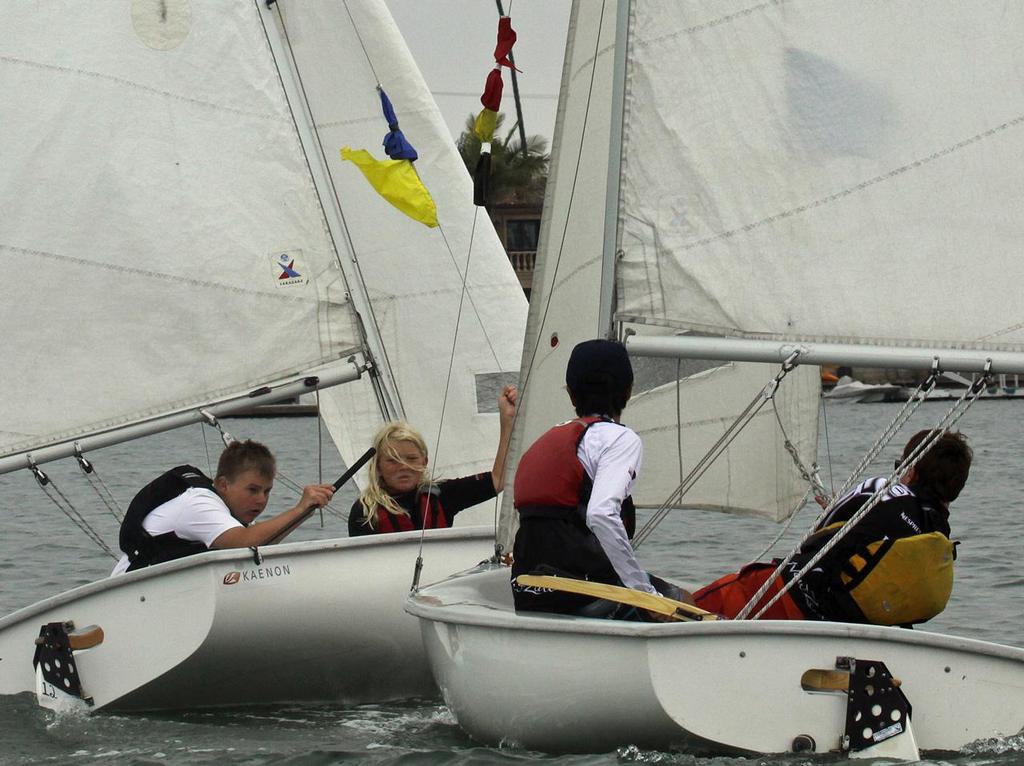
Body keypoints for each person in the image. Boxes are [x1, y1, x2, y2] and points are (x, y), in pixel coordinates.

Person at [693, 429, 973, 625]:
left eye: (900, 465)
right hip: (849, 624)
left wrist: (839, 511)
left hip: (794, 598)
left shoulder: (883, 490)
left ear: (911, 471)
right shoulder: (939, 537)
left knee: (695, 606)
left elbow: (817, 536)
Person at [510, 338, 688, 619]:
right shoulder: (619, 438)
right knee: (681, 598)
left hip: (528, 589)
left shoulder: (547, 439)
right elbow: (602, 514)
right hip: (580, 591)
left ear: (570, 393)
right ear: (629, 390)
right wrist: (644, 593)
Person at [111, 439, 335, 575]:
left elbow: (260, 542)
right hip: (129, 592)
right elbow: (243, 543)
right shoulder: (199, 503)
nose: (261, 500)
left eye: (267, 491)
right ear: (223, 484)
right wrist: (297, 509)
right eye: (252, 490)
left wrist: (306, 512)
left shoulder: (233, 518)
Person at [348, 386, 518, 535]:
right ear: (378, 466)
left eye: (412, 459)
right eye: (393, 460)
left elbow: (498, 480)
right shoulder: (364, 511)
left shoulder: (442, 496)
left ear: (424, 462)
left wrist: (507, 420)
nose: (404, 467)